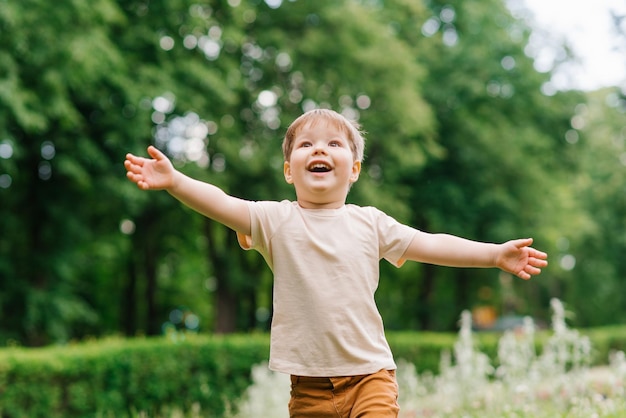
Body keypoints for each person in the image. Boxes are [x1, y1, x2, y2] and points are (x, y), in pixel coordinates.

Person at [124, 108, 548, 417]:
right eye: (305, 144)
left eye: (332, 143)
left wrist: (494, 254)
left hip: (370, 376)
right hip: (308, 387)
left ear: (354, 169)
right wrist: (175, 181)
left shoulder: (371, 224)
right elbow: (221, 203)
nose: (318, 149)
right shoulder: (276, 219)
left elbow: (432, 244)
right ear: (289, 170)